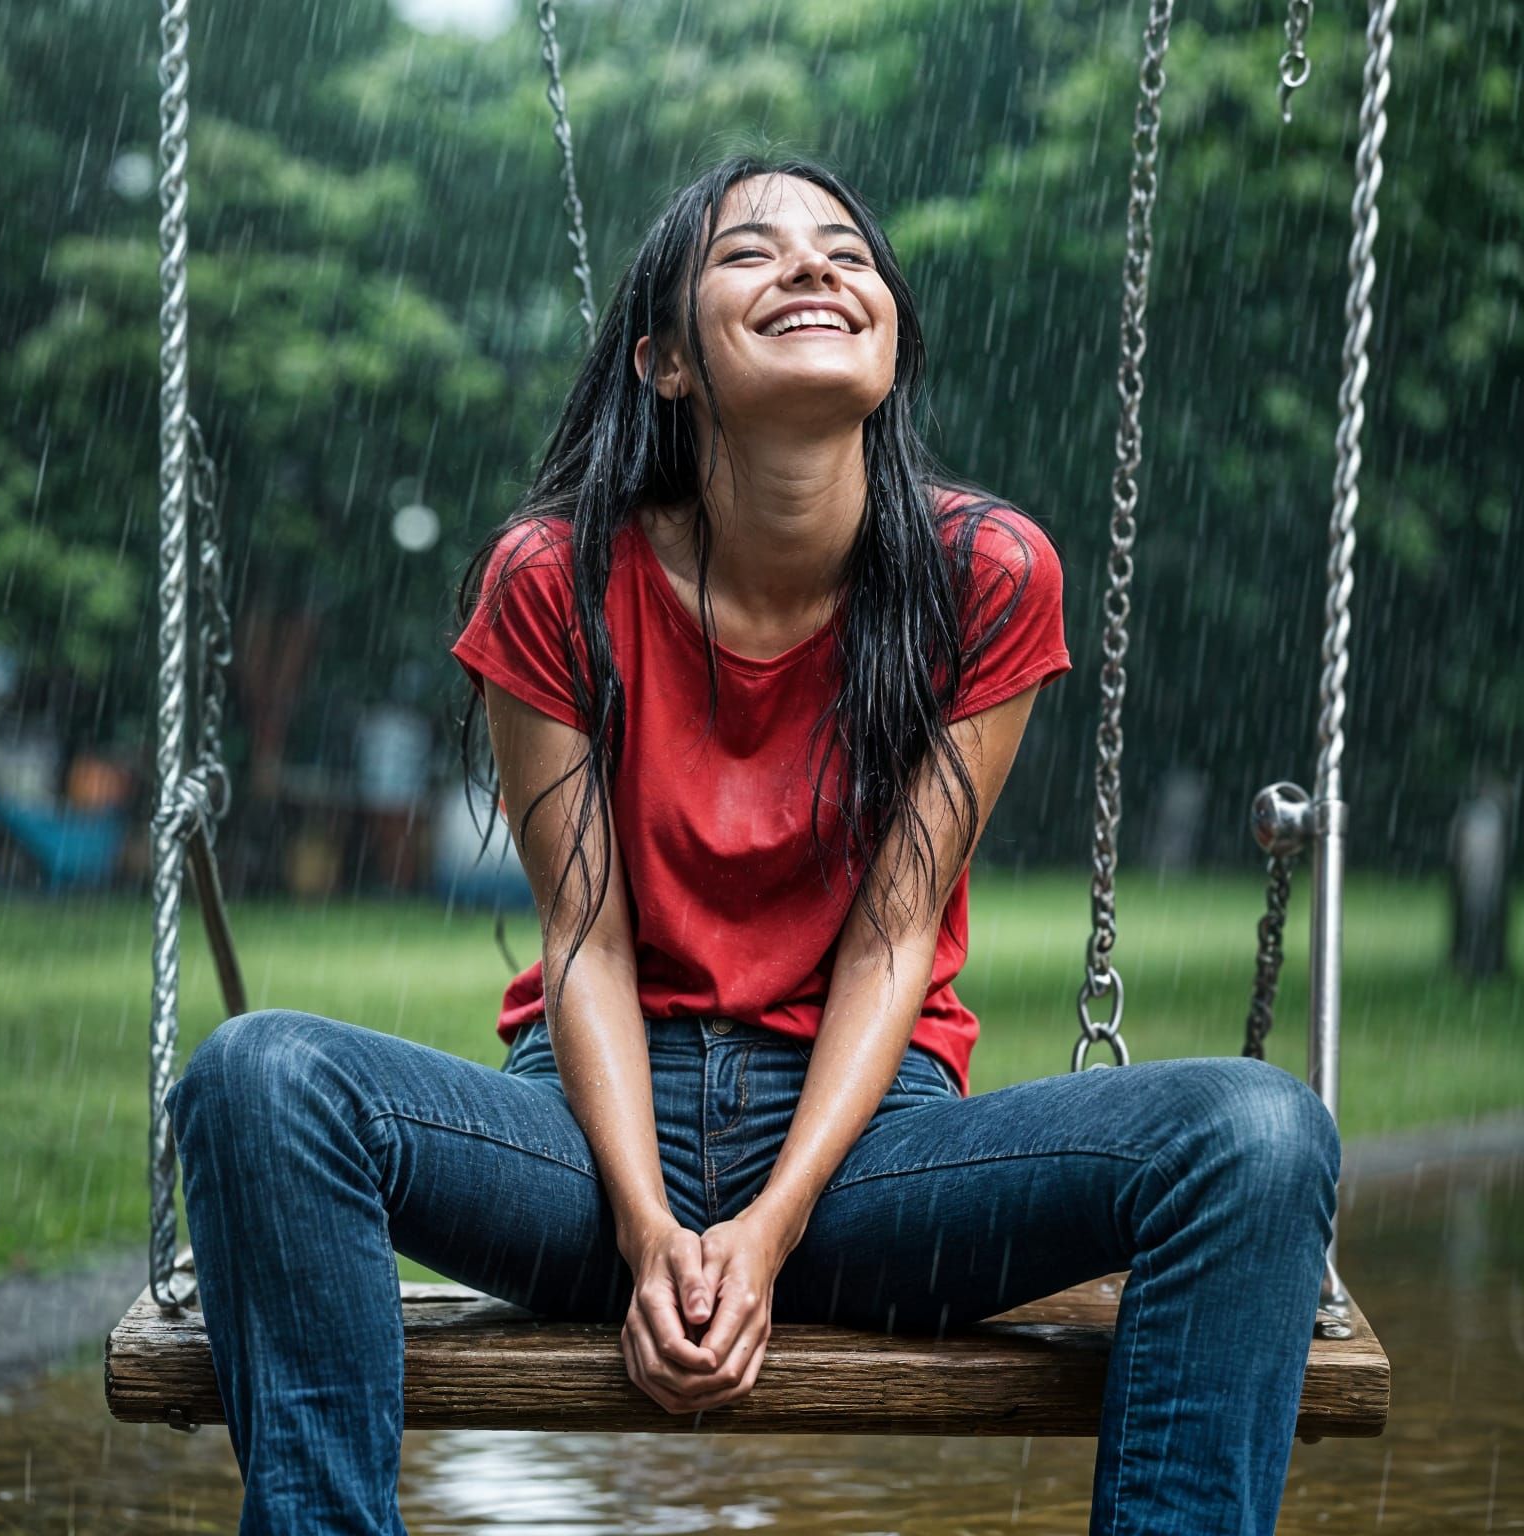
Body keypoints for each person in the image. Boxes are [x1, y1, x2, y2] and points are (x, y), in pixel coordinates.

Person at [165, 154, 1340, 1536]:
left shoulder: (987, 575)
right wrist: (652, 1230)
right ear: (665, 360)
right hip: (587, 1149)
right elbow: (586, 942)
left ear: (891, 341)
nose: (812, 266)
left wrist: (774, 1226)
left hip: (864, 1164)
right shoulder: (553, 579)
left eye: (847, 250)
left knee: (1260, 1135)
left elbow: (897, 937)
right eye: (751, 251)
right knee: (261, 1078)